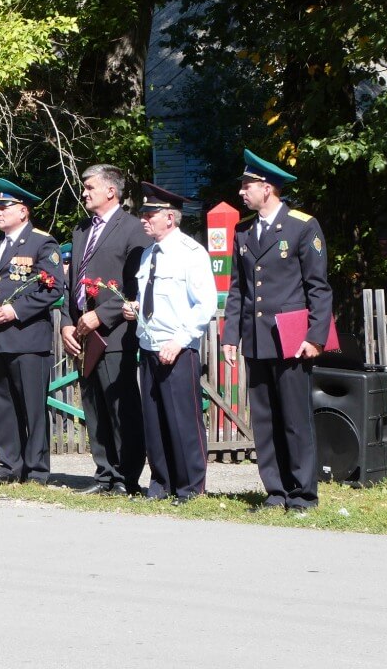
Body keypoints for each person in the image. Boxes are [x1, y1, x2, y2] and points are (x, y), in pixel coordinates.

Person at [221, 149, 332, 514]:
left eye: (247, 185)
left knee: (295, 420)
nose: (242, 191)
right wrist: (230, 337)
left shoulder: (302, 225)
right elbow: (238, 290)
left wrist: (315, 336)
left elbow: (318, 287)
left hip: (292, 339)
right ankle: (276, 491)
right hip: (256, 338)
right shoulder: (243, 232)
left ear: (267, 188)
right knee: (265, 420)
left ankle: (303, 495)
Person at [122, 182, 217, 504]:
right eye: (143, 213)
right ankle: (160, 482)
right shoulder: (149, 255)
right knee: (154, 419)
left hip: (177, 347)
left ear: (170, 218)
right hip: (148, 344)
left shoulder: (191, 253)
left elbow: (204, 304)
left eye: (150, 214)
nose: (143, 219)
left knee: (182, 419)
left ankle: (190, 486)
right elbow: (152, 298)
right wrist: (134, 308)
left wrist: (179, 341)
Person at [60, 164, 150, 495]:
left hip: (113, 334)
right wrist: (67, 323)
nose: (84, 193)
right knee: (93, 406)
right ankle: (104, 475)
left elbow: (135, 286)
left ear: (111, 191)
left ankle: (127, 477)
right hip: (82, 331)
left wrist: (103, 316)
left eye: (89, 187)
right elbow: (72, 283)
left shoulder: (132, 229)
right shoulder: (82, 230)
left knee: (119, 407)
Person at [0, 179, 64, 485]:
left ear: (23, 211)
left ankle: (37, 471)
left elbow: (53, 288)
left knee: (33, 408)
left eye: (4, 207)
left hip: (28, 338)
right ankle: (9, 466)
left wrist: (16, 310)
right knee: (5, 406)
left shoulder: (42, 243)